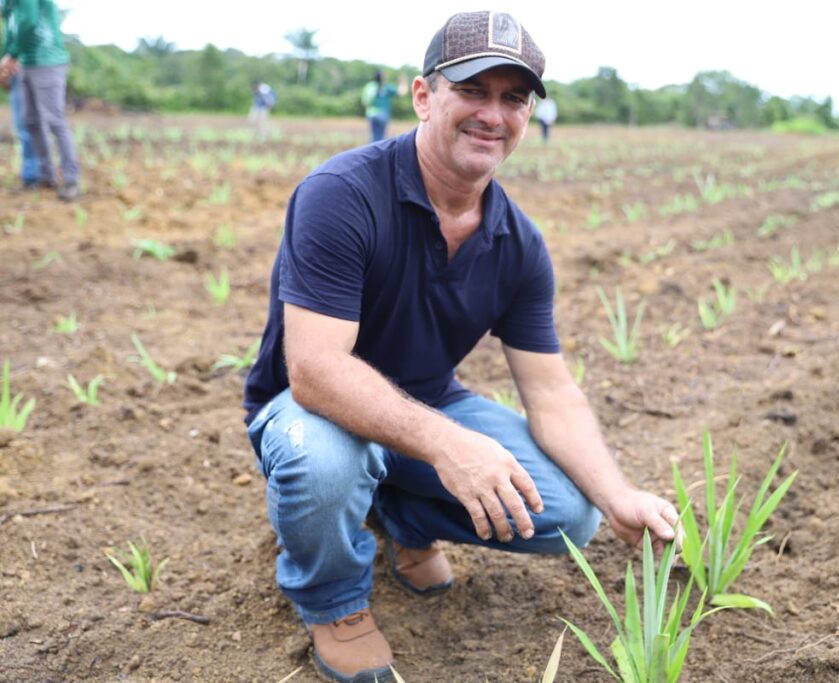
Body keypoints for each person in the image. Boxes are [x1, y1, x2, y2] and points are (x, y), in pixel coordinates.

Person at [243, 11, 679, 683]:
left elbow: (550, 391)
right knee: (324, 464)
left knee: (569, 511)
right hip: (310, 410)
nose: (492, 115)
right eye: (473, 91)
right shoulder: (342, 195)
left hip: (425, 401)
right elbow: (315, 370)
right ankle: (333, 600)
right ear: (424, 96)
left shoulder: (518, 243)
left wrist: (618, 495)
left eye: (513, 98)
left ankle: (400, 516)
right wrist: (448, 445)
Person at [0, 0, 79, 201]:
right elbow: (11, 28)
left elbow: (29, 22)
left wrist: (12, 55)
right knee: (31, 122)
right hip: (26, 63)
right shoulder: (9, 5)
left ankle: (71, 179)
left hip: (47, 61)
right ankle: (46, 175)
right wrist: (8, 59)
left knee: (55, 121)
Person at [1, 0, 40, 188]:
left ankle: (34, 175)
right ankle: (32, 174)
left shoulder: (21, 8)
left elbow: (29, 24)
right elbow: (10, 40)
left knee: (28, 125)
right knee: (23, 125)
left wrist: (13, 56)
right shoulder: (9, 12)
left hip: (29, 67)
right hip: (16, 70)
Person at [361, 68, 407, 143]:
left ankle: (372, 148)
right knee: (381, 138)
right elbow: (402, 93)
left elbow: (364, 102)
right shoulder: (386, 87)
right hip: (383, 114)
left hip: (371, 114)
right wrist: (402, 81)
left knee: (374, 136)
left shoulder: (369, 86)